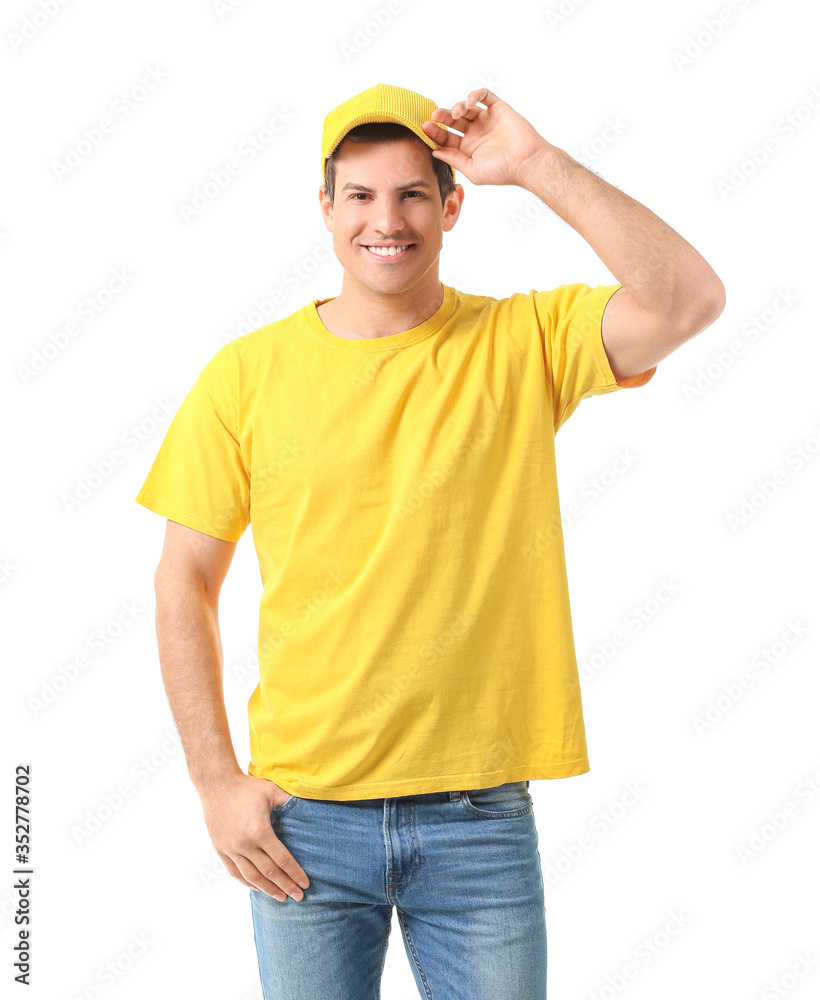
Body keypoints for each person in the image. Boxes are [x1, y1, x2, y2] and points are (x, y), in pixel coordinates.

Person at [135, 83, 724, 998]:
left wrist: (535, 164)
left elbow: (689, 297)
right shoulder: (245, 376)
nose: (388, 220)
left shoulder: (521, 340)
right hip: (305, 820)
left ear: (452, 205)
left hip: (476, 822)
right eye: (361, 195)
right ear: (324, 209)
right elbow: (183, 584)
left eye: (413, 192)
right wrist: (216, 784)